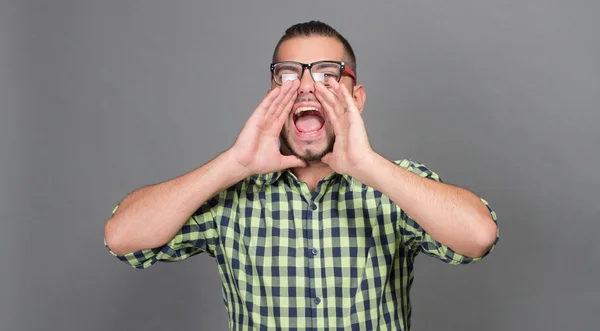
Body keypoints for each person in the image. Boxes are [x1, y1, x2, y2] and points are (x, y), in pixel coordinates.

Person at [104, 21, 499, 330]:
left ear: (356, 99)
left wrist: (368, 166)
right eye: (290, 75)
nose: (307, 87)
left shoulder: (394, 185)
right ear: (272, 93)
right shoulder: (229, 192)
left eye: (328, 74)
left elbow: (478, 237)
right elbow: (122, 238)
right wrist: (233, 165)